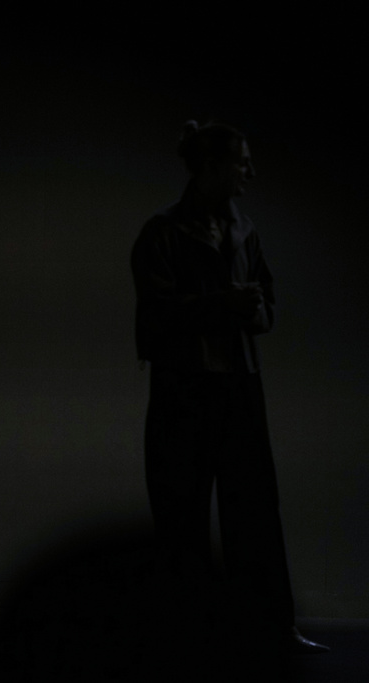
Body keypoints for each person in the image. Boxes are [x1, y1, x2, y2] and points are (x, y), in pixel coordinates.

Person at [130, 121, 327, 657]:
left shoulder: (244, 230)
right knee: (181, 518)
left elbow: (264, 303)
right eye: (241, 162)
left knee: (256, 515)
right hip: (184, 395)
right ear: (214, 167)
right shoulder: (163, 232)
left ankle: (269, 630)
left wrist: (248, 307)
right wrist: (228, 305)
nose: (250, 173)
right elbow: (154, 319)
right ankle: (184, 637)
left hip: (239, 389)